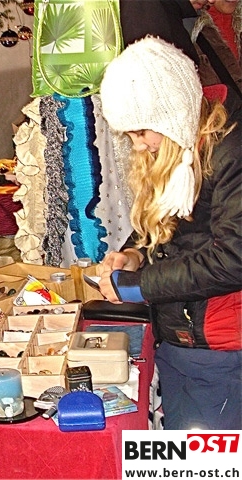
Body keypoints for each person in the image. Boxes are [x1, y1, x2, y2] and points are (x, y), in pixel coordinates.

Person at [98, 36, 241, 430]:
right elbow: (169, 227)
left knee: (210, 459)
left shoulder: (231, 152)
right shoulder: (181, 149)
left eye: (142, 132)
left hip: (222, 348)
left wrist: (137, 286)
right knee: (183, 451)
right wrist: (133, 254)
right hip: (181, 340)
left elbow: (233, 260)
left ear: (170, 114)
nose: (138, 146)